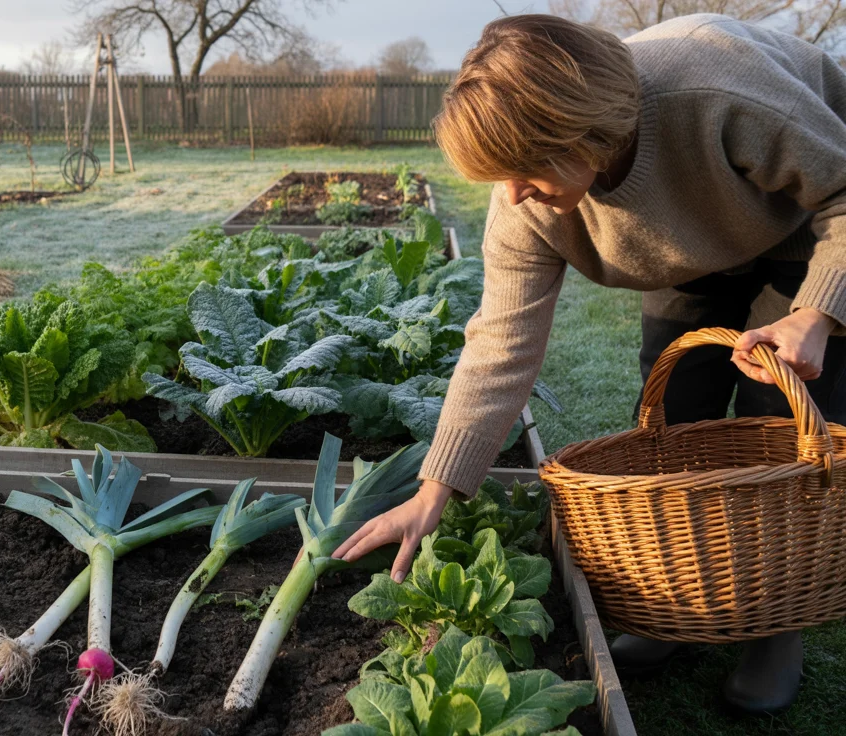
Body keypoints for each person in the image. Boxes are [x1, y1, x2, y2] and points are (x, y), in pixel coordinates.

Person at [332, 13, 846, 714]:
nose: (509, 194)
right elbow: (500, 344)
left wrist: (816, 312)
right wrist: (435, 489)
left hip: (801, 221)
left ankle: (778, 625)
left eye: (523, 170)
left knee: (777, 427)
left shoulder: (720, 91)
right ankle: (687, 615)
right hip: (689, 240)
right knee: (674, 419)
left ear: (584, 133)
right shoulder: (526, 205)